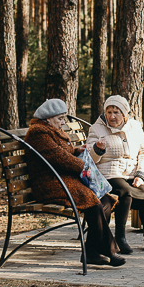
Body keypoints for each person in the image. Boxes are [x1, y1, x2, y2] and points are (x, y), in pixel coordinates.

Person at [24, 98, 125, 267]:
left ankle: (92, 252)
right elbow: (59, 157)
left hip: (62, 180)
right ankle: (110, 251)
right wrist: (85, 166)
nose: (63, 123)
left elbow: (62, 152)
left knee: (105, 200)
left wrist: (77, 150)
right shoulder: (39, 133)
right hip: (49, 185)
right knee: (93, 202)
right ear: (48, 118)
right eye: (60, 119)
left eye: (64, 118)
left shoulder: (49, 129)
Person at [86, 95, 144, 253]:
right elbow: (90, 158)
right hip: (109, 174)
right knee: (125, 192)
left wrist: (141, 174)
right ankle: (120, 237)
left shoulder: (134, 126)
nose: (112, 116)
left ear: (124, 114)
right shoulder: (96, 128)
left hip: (131, 173)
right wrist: (98, 148)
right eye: (109, 112)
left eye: (116, 112)